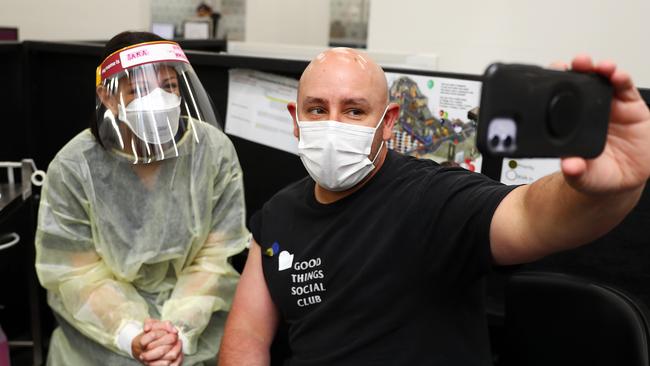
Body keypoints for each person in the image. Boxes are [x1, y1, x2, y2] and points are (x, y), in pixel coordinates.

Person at [218, 48, 650, 365]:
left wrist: (604, 189)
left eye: (353, 111)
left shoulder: (432, 196)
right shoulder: (278, 215)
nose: (332, 125)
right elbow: (247, 337)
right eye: (317, 109)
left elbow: (533, 218)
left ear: (387, 122)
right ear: (296, 119)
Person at [35, 31, 249, 365]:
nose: (159, 100)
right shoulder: (74, 167)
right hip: (100, 334)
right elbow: (74, 273)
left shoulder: (213, 152)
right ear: (108, 98)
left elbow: (215, 257)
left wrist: (178, 330)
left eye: (169, 86)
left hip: (195, 326)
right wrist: (132, 334)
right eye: (140, 90)